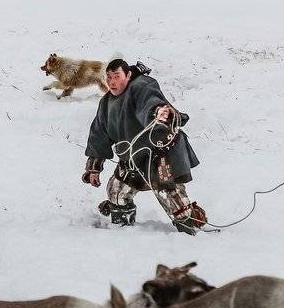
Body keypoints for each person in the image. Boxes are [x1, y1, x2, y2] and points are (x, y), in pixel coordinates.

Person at [82, 59, 207, 234]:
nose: (112, 82)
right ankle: (121, 232)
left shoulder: (142, 86)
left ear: (128, 75)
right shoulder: (106, 103)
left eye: (117, 76)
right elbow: (99, 135)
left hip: (160, 152)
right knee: (116, 192)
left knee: (169, 194)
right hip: (132, 158)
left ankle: (190, 230)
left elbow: (150, 102)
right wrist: (94, 168)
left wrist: (159, 112)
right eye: (109, 77)